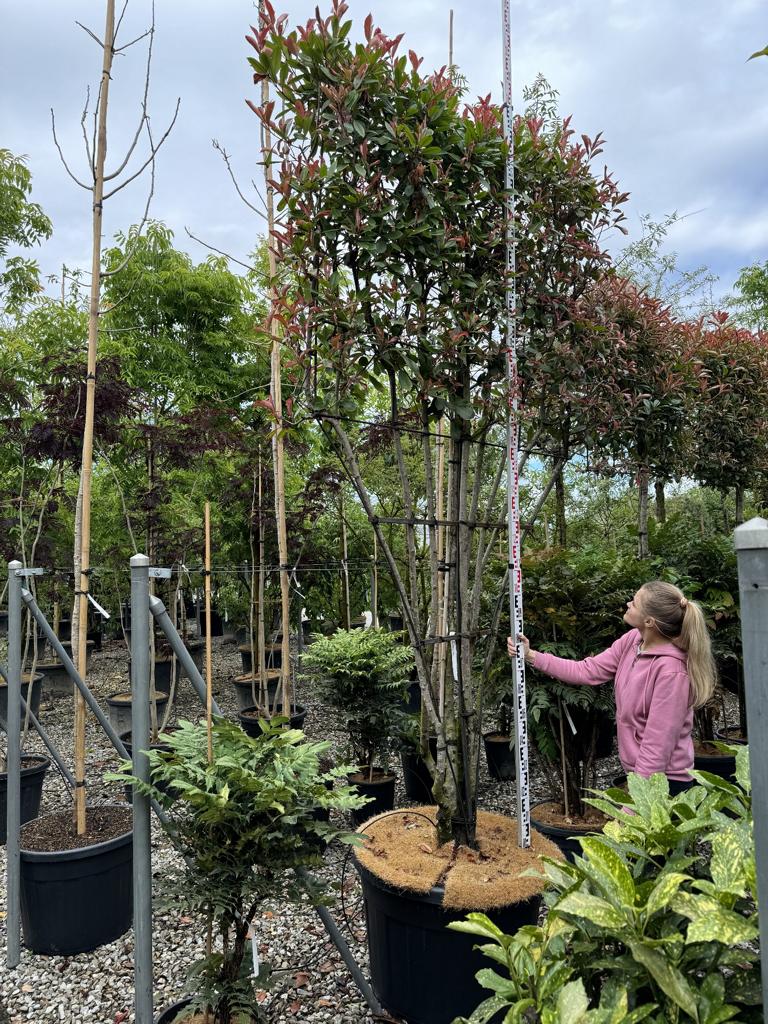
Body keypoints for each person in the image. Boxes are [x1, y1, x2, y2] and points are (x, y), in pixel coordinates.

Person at [507, 580, 716, 795]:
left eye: (634, 603)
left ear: (649, 621)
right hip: (641, 776)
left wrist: (634, 806)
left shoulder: (672, 673)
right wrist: (531, 656)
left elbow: (657, 748)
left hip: (666, 783)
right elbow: (587, 670)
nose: (628, 604)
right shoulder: (635, 640)